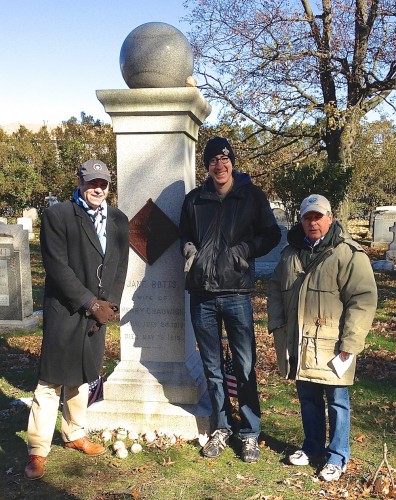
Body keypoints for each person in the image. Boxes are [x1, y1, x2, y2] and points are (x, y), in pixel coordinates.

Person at [24, 159, 130, 480]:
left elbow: (119, 266)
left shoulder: (118, 220)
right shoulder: (58, 216)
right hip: (66, 309)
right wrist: (89, 303)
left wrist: (108, 305)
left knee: (82, 375)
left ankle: (74, 434)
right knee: (51, 380)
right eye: (91, 182)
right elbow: (57, 267)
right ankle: (38, 450)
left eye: (104, 183)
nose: (98, 188)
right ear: (80, 182)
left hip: (98, 311)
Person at [179, 137, 281, 462]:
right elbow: (184, 233)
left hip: (236, 293)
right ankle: (221, 427)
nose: (219, 166)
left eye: (224, 159)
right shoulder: (195, 199)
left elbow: (272, 233)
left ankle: (249, 431)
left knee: (245, 365)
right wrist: (188, 249)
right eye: (212, 161)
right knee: (212, 368)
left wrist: (246, 251)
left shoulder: (250, 196)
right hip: (202, 294)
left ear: (231, 162)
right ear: (206, 166)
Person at [267, 194, 377, 481]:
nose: (313, 222)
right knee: (308, 398)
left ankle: (338, 455)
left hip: (333, 345)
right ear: (301, 220)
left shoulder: (348, 254)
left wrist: (351, 343)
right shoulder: (290, 253)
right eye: (307, 217)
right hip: (300, 341)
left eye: (318, 216)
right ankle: (313, 447)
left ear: (330, 218)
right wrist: (278, 324)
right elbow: (276, 288)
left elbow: (363, 300)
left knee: (337, 400)